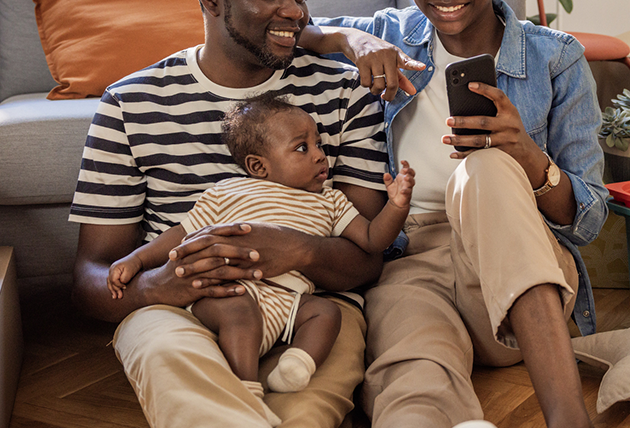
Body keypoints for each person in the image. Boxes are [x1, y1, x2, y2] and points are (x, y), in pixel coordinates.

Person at [301, 0, 608, 428]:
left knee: (486, 168)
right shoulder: (390, 33)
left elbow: (587, 219)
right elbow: (300, 30)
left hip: (520, 284)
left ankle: (569, 421)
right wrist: (355, 41)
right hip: (411, 262)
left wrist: (526, 155)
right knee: (413, 385)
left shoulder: (554, 59)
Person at [69, 0, 391, 428]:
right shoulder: (130, 104)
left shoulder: (343, 92)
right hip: (178, 312)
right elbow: (91, 277)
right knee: (194, 394)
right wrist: (157, 287)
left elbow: (369, 259)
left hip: (311, 310)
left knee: (304, 413)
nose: (294, 10)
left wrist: (298, 249)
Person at [107, 92, 416, 396]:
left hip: (289, 299)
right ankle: (245, 387)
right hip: (232, 291)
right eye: (302, 148)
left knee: (326, 313)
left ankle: (297, 365)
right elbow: (180, 233)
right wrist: (137, 259)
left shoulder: (331, 201)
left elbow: (373, 240)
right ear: (258, 166)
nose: (320, 154)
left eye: (318, 144)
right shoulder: (227, 192)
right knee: (240, 315)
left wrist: (397, 207)